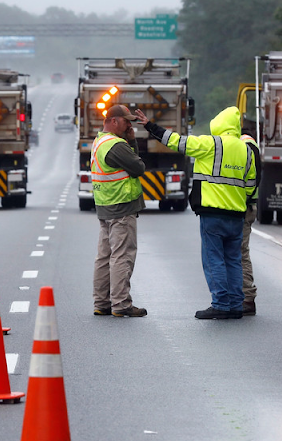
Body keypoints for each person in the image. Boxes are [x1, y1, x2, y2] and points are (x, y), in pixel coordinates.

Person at [134, 106, 256, 319]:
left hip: (213, 214)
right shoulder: (246, 149)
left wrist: (149, 126)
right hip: (237, 215)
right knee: (234, 259)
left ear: (218, 124)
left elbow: (176, 141)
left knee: (214, 259)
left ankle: (221, 304)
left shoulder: (211, 144)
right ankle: (236, 305)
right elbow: (250, 185)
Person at [92, 104, 147, 318]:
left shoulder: (99, 142)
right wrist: (132, 142)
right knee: (121, 256)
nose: (129, 125)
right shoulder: (116, 145)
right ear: (113, 121)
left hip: (105, 205)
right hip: (121, 206)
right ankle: (121, 304)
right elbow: (139, 167)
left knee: (104, 257)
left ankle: (101, 303)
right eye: (126, 121)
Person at [240, 129, 261, 315]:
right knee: (239, 252)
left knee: (240, 252)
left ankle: (247, 298)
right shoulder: (251, 144)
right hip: (248, 205)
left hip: (245, 207)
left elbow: (250, 180)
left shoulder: (245, 145)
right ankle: (243, 297)